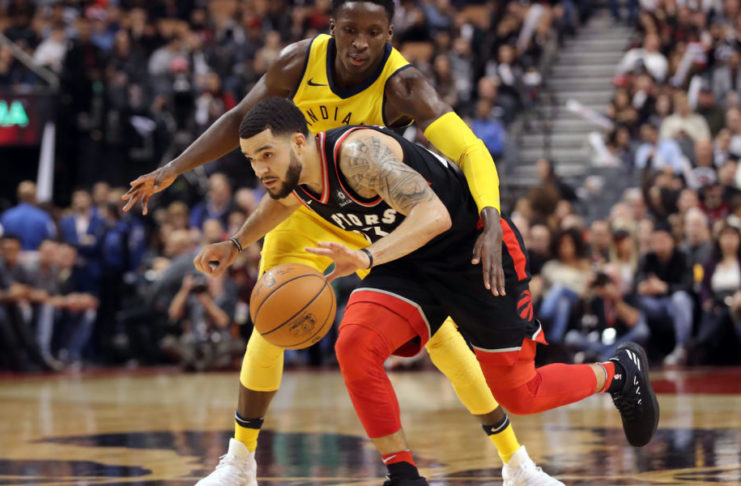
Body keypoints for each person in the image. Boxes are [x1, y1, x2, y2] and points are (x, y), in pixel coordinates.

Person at [122, 1, 560, 485]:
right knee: (270, 317)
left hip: (367, 214)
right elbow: (240, 119)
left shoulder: (404, 84)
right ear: (332, 28)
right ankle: (239, 462)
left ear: (390, 34)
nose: (359, 43)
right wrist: (175, 169)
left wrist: (490, 214)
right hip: (300, 204)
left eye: (373, 32)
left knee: (440, 337)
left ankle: (517, 463)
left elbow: (468, 148)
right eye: (349, 30)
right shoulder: (298, 61)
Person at [195, 98, 659, 485]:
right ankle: (403, 475)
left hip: (473, 254)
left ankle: (617, 372)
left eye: (266, 155)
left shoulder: (357, 156)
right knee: (354, 344)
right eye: (252, 159)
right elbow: (280, 202)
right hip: (410, 265)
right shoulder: (297, 174)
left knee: (522, 394)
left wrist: (368, 257)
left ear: (299, 141)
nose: (260, 169)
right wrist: (235, 244)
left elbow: (435, 215)